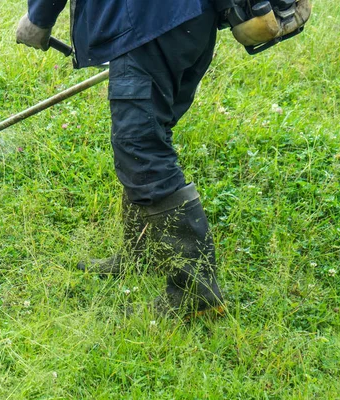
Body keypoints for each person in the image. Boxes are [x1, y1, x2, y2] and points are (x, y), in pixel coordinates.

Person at [16, 0, 225, 317]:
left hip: (147, 21)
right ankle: (144, 253)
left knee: (140, 146)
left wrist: (38, 18)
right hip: (188, 19)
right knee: (149, 133)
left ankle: (196, 293)